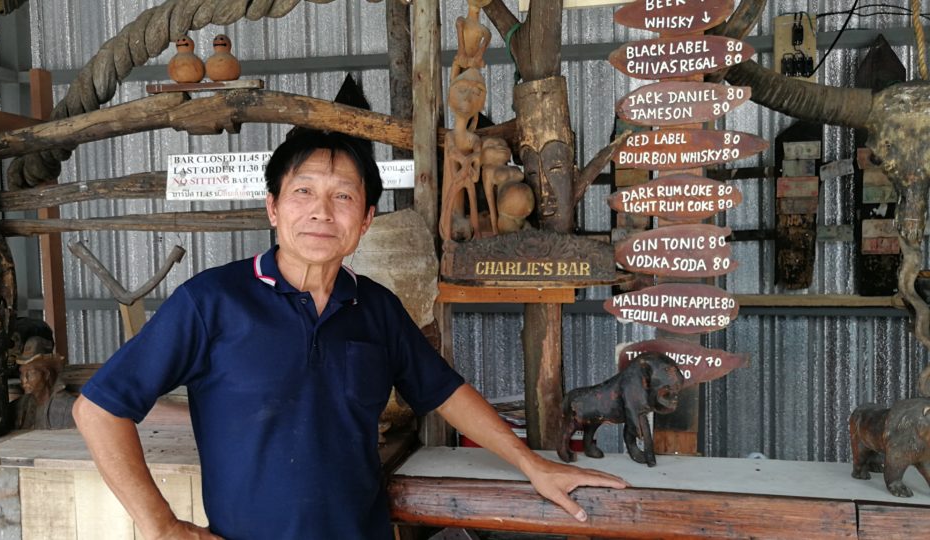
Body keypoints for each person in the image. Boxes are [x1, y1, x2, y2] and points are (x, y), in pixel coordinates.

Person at [73, 128, 628, 540]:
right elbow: (99, 409)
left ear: (364, 221)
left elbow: (444, 392)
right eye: (304, 192)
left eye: (342, 196)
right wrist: (160, 524)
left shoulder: (375, 307)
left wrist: (531, 463)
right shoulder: (212, 301)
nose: (321, 212)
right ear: (272, 207)